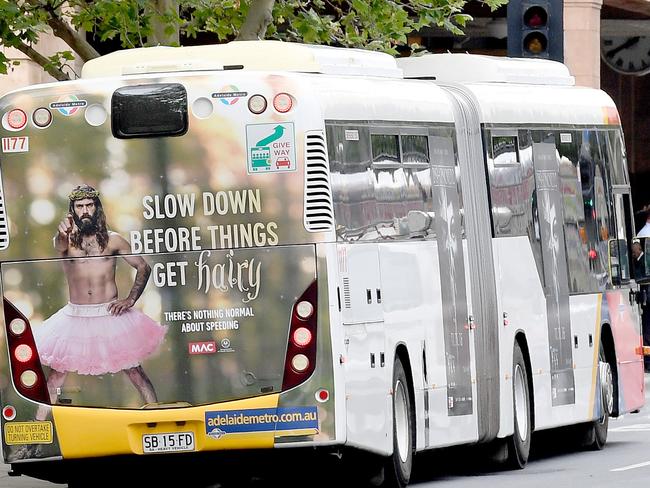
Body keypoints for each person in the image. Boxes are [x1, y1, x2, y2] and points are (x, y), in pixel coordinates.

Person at [34, 184, 166, 420]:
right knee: (55, 377)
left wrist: (131, 299)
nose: (85, 210)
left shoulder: (114, 240)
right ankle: (37, 436)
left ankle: (158, 419)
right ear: (72, 210)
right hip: (74, 317)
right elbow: (59, 242)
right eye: (79, 206)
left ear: (97, 208)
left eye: (89, 205)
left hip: (111, 315)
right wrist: (62, 233)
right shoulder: (65, 241)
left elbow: (143, 267)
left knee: (135, 371)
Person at [632, 239, 650, 373]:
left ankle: (648, 361)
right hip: (644, 299)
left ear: (638, 250)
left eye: (633, 252)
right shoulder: (638, 260)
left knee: (647, 330)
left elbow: (642, 278)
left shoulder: (645, 261)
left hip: (647, 299)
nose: (632, 254)